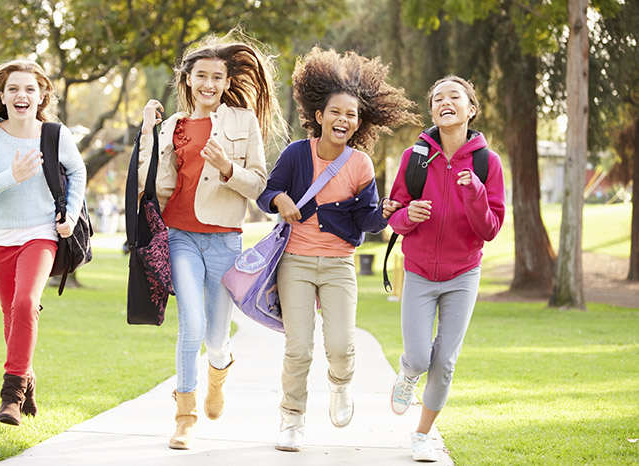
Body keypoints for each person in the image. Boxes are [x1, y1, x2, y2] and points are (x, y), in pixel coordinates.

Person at [256, 46, 419, 452]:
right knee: (298, 346)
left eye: (351, 115)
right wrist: (279, 202)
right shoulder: (297, 154)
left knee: (341, 345)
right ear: (319, 116)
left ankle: (340, 385)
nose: (343, 119)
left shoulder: (361, 165)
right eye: (336, 112)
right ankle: (291, 418)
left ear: (358, 122)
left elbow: (367, 221)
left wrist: (383, 213)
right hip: (294, 262)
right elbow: (267, 191)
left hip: (338, 265)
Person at [136, 32, 284, 450]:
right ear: (188, 79)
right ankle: (184, 417)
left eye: (217, 77)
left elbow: (258, 184)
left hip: (223, 240)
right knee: (192, 326)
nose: (209, 84)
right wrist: (147, 130)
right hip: (179, 235)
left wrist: (226, 167)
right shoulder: (172, 127)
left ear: (225, 81)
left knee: (216, 337)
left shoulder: (243, 121)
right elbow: (148, 181)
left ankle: (219, 373)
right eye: (201, 75)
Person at [0, 60, 86, 426]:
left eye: (30, 89)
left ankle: (10, 395)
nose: (22, 95)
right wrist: (11, 176)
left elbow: (78, 171)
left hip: (40, 233)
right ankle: (27, 376)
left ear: (41, 95)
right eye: (14, 89)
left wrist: (72, 213)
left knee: (26, 302)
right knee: (12, 315)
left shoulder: (55, 134)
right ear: (2, 96)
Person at [387, 75, 505, 462]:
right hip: (419, 270)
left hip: (463, 274)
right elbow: (395, 217)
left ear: (471, 109)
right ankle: (407, 373)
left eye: (454, 96)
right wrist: (410, 215)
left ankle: (422, 435)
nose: (444, 102)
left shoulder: (488, 163)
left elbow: (489, 229)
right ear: (433, 111)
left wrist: (474, 192)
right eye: (437, 98)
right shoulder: (414, 157)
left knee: (445, 362)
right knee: (421, 358)